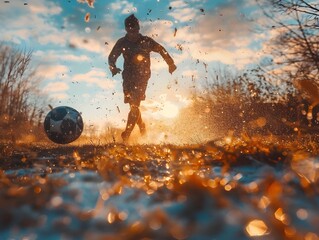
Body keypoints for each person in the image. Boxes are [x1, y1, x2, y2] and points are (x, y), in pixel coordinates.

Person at [108, 14, 177, 142]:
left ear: (138, 27)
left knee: (135, 105)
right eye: (129, 27)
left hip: (142, 77)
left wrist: (170, 63)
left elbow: (161, 49)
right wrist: (112, 66)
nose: (132, 30)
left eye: (134, 27)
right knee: (133, 106)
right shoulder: (122, 42)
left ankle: (126, 135)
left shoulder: (146, 41)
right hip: (128, 77)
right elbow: (112, 57)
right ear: (126, 29)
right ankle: (142, 126)